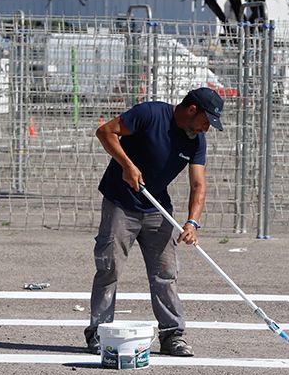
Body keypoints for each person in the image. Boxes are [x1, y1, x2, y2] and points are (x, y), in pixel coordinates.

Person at [84, 86, 224, 357]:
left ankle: (172, 334)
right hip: (120, 204)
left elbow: (198, 185)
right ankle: (99, 331)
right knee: (109, 268)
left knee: (166, 273)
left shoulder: (196, 141)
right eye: (206, 121)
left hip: (157, 209)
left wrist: (192, 223)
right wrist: (127, 165)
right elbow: (105, 132)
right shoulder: (150, 114)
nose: (207, 128)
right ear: (192, 110)